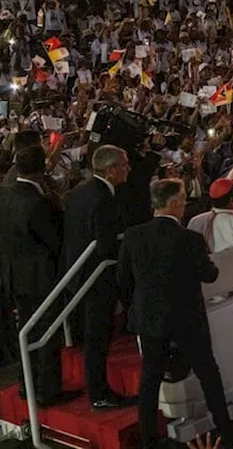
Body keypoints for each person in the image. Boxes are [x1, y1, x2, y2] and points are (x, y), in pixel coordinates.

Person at [118, 179, 233, 449]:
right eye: (183, 200)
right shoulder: (189, 239)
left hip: (149, 319)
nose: (185, 205)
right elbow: (209, 274)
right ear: (174, 204)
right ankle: (224, 428)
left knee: (150, 378)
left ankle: (149, 439)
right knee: (207, 372)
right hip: (187, 318)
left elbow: (123, 278)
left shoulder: (133, 235)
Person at [61, 144, 134, 410]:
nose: (128, 169)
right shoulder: (104, 199)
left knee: (95, 338)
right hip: (96, 279)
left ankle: (99, 391)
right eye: (124, 165)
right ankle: (100, 394)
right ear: (111, 170)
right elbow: (106, 246)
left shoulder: (79, 192)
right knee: (98, 339)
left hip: (81, 276)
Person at [0, 145, 69, 406]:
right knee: (46, 333)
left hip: (14, 278)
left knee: (25, 332)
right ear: (43, 169)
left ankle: (25, 383)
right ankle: (47, 390)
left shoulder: (4, 195)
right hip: (41, 279)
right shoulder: (38, 203)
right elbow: (54, 241)